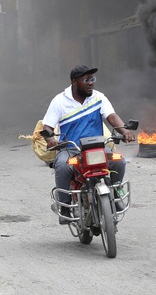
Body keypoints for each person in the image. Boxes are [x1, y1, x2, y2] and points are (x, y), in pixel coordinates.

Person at [42, 65, 136, 224]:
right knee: (63, 166)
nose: (91, 83)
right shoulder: (60, 101)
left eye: (92, 79)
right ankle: (64, 205)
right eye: (86, 80)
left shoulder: (99, 97)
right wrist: (50, 139)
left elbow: (112, 117)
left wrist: (124, 131)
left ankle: (114, 194)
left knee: (119, 161)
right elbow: (47, 126)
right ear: (75, 82)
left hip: (97, 148)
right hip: (71, 149)